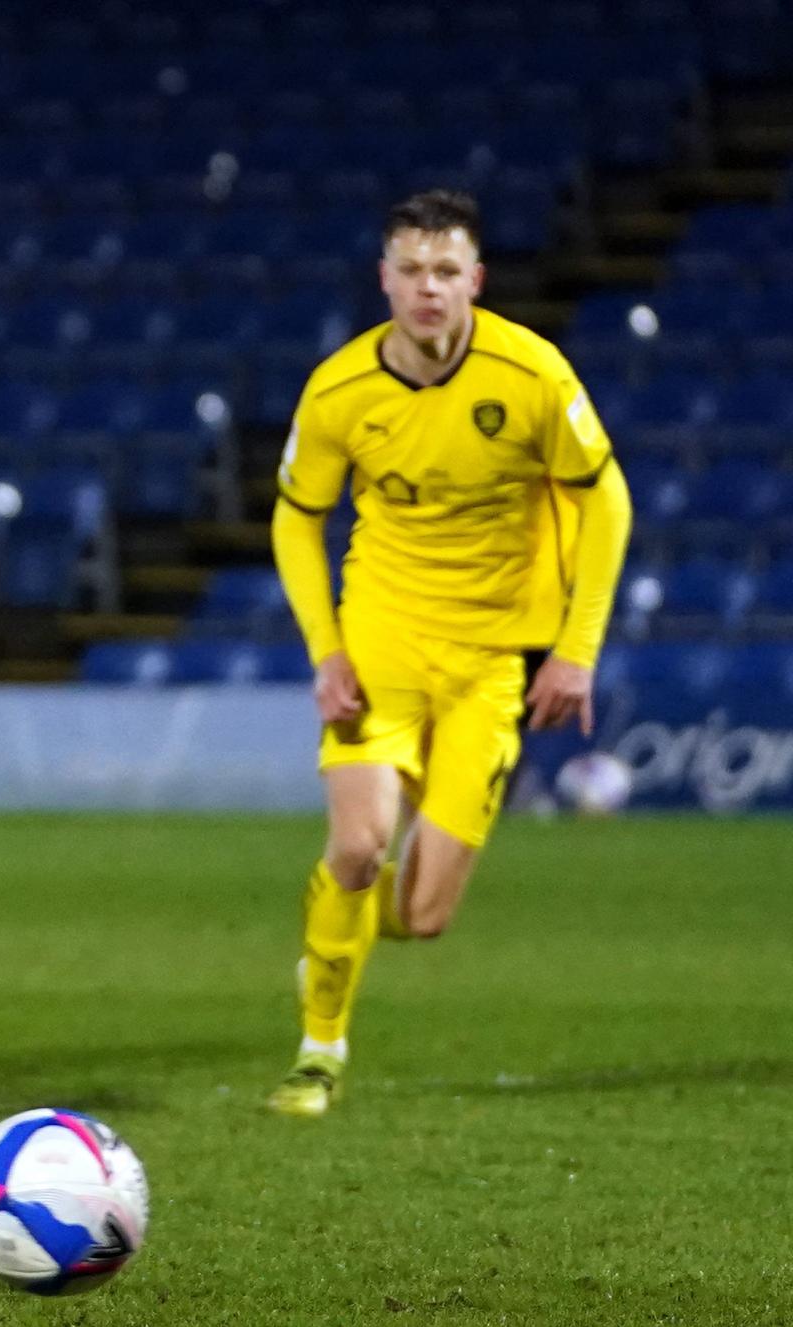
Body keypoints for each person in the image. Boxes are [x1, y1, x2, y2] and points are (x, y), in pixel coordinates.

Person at [266, 189, 631, 1117]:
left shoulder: (532, 374)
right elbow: (297, 519)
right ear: (383, 279)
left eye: (445, 271)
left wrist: (575, 651)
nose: (427, 288)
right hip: (383, 645)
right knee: (356, 847)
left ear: (475, 278)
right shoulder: (340, 390)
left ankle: (332, 925)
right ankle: (319, 1051)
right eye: (409, 271)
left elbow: (607, 502)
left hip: (488, 666)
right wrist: (326, 649)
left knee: (421, 916)